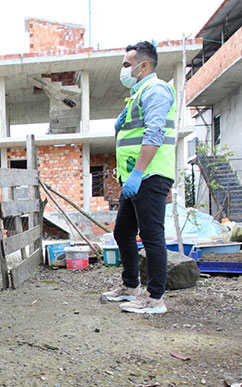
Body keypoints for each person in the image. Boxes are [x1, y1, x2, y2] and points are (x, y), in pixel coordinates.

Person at [101, 41, 176, 314]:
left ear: (142, 66)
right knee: (122, 231)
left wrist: (137, 173)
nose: (122, 70)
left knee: (152, 235)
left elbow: (154, 134)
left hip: (149, 174)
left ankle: (154, 298)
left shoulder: (155, 90)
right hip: (135, 176)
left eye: (126, 65)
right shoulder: (139, 93)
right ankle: (130, 286)